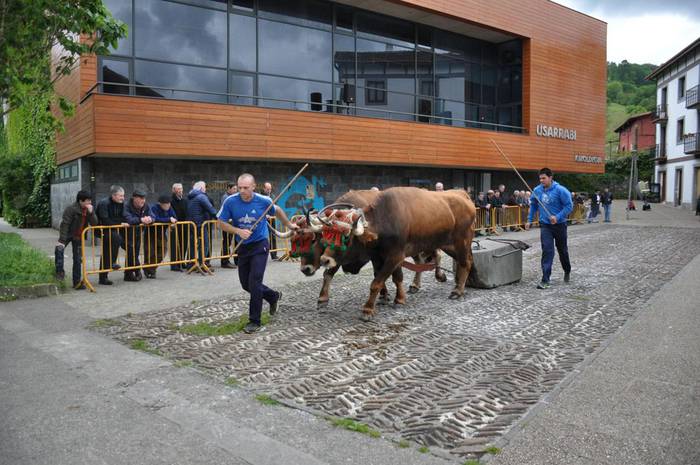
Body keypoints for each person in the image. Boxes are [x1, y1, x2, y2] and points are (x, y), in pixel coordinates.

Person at [217, 173, 298, 334]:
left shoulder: (263, 201)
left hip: (260, 244)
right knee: (245, 284)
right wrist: (238, 231)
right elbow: (220, 223)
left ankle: (254, 321)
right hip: (243, 245)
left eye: (245, 188)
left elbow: (278, 210)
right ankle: (273, 296)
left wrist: (289, 224)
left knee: (254, 281)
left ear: (253, 187)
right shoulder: (230, 201)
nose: (241, 191)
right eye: (239, 187)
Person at [525, 168, 573, 289]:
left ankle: (567, 270)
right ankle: (545, 279)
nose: (541, 181)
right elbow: (534, 205)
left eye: (544, 178)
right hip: (545, 225)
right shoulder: (537, 190)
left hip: (559, 225)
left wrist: (557, 217)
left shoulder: (561, 190)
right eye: (540, 178)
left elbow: (569, 206)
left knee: (562, 250)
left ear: (550, 178)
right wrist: (529, 220)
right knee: (547, 250)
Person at [55, 190, 98, 289]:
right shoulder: (70, 209)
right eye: (87, 201)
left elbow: (95, 224)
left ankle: (77, 282)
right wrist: (62, 241)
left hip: (79, 236)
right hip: (68, 234)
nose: (89, 203)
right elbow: (65, 225)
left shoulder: (88, 210)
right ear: (80, 201)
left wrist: (91, 213)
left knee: (78, 259)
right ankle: (60, 272)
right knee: (59, 249)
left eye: (90, 201)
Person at [96, 185, 128, 285]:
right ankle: (107, 270)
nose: (123, 198)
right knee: (111, 245)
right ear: (113, 195)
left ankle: (130, 271)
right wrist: (119, 223)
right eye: (120, 196)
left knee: (127, 243)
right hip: (102, 229)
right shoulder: (104, 203)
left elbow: (124, 217)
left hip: (114, 228)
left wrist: (120, 223)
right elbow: (105, 220)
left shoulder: (121, 204)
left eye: (123, 196)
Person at [144, 194, 178, 278]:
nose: (168, 205)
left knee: (163, 251)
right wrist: (168, 220)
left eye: (169, 203)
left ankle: (149, 268)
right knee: (150, 252)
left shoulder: (170, 208)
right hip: (150, 233)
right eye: (166, 204)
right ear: (160, 204)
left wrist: (173, 221)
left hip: (161, 233)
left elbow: (174, 217)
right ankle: (151, 270)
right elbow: (155, 219)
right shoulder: (154, 208)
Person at [123, 190, 154, 281]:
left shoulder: (146, 206)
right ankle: (135, 272)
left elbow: (153, 216)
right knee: (131, 252)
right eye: (141, 198)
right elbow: (129, 219)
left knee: (134, 252)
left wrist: (150, 219)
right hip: (125, 233)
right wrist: (141, 220)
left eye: (144, 198)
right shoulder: (126, 206)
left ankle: (129, 273)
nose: (143, 200)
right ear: (134, 198)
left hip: (137, 233)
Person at [186, 181, 217, 270]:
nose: (205, 190)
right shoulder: (201, 197)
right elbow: (211, 209)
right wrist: (219, 218)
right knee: (205, 244)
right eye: (204, 188)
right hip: (200, 224)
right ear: (201, 188)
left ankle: (191, 264)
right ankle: (202, 264)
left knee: (192, 244)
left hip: (191, 224)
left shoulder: (190, 197)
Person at [169, 183, 189, 271]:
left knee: (184, 244)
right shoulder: (171, 201)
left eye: (181, 188)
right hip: (175, 225)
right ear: (173, 190)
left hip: (184, 225)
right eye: (178, 189)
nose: (180, 190)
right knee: (175, 245)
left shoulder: (184, 200)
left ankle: (181, 261)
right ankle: (174, 264)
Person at [220, 182, 238, 269]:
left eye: (236, 189)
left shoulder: (231, 197)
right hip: (227, 223)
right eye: (234, 189)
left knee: (229, 242)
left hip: (231, 223)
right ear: (229, 189)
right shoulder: (226, 198)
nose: (236, 190)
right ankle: (224, 261)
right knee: (226, 242)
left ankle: (228, 260)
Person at [262, 181, 278, 260]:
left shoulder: (273, 196)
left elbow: (275, 207)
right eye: (267, 189)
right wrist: (265, 215)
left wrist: (273, 214)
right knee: (263, 236)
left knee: (273, 236)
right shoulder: (260, 197)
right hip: (263, 220)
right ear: (264, 189)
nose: (269, 190)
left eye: (270, 189)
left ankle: (274, 254)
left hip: (272, 219)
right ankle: (262, 254)